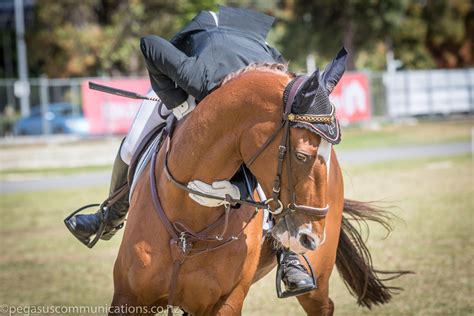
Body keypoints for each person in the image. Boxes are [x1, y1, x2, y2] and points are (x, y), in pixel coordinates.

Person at [65, 6, 315, 298]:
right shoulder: (198, 77)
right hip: (187, 79)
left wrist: (239, 187)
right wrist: (180, 105)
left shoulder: (267, 73)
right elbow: (148, 44)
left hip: (250, 63)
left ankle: (288, 251)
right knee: (134, 142)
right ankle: (109, 215)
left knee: (270, 154)